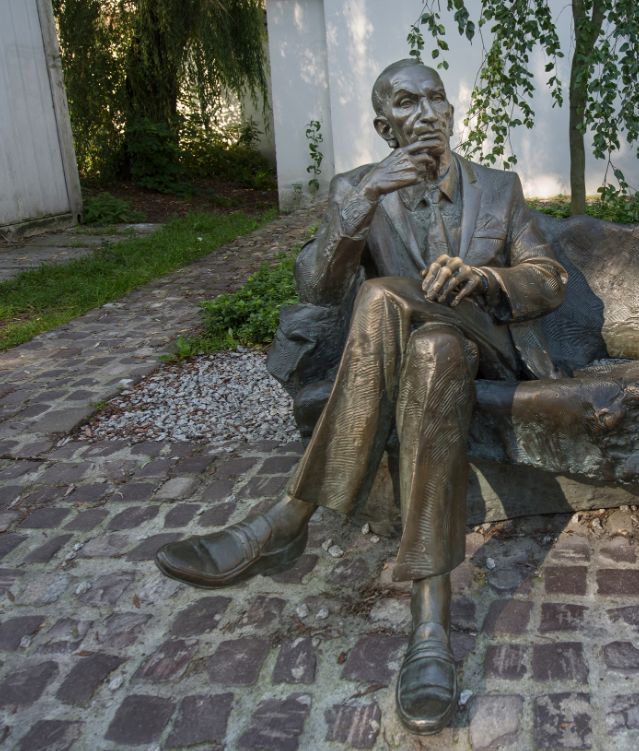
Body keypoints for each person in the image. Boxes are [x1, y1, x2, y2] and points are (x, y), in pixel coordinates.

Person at [155, 58, 568, 734]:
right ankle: (430, 621)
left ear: (451, 110)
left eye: (436, 97)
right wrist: (368, 195)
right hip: (425, 358)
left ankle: (290, 515)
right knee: (431, 351)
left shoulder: (498, 188)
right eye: (407, 102)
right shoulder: (356, 190)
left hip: (488, 346)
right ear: (384, 127)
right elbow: (316, 286)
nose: (427, 111)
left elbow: (548, 277)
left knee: (380, 297)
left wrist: (487, 280)